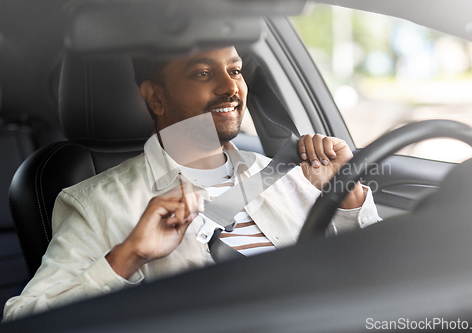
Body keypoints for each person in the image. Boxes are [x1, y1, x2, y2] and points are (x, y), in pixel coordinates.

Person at [2, 46, 380, 321]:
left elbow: (377, 279)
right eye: (202, 73)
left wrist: (347, 200)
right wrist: (128, 257)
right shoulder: (96, 202)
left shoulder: (291, 172)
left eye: (235, 71)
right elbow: (24, 318)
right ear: (155, 97)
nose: (230, 87)